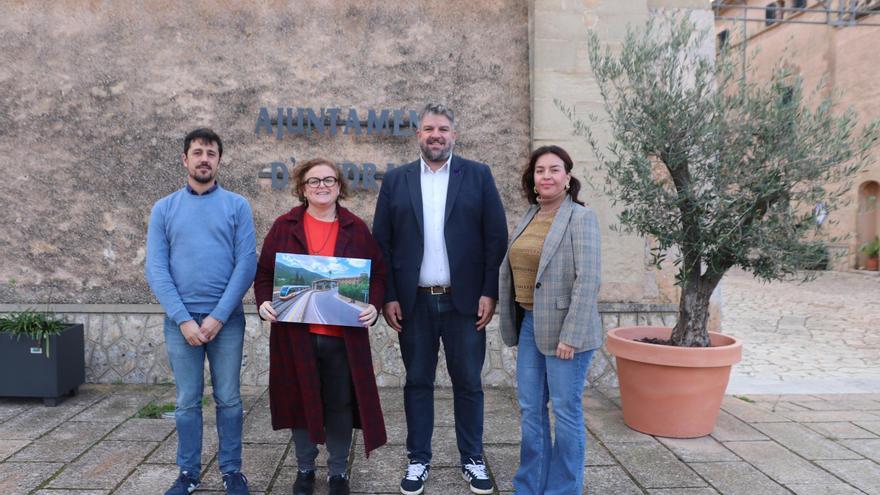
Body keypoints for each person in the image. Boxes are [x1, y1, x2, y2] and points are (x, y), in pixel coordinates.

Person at [372, 103, 508, 495]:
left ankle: (472, 459)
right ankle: (418, 459)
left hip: (464, 303)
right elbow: (383, 242)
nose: (436, 134)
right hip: (413, 304)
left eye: (443, 129)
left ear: (454, 134)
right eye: (429, 128)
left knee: (468, 383)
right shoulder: (397, 180)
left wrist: (488, 291)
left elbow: (495, 237)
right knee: (417, 382)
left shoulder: (477, 176)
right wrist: (389, 296)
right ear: (418, 134)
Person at [254, 158, 387, 495]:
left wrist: (373, 305)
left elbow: (378, 275)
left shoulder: (355, 228)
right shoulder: (285, 226)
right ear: (302, 188)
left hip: (342, 338)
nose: (322, 186)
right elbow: (265, 274)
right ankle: (304, 468)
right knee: (300, 401)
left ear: (339, 187)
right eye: (314, 181)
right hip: (296, 336)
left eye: (329, 180)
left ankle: (338, 472)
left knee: (340, 403)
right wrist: (263, 304)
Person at [145, 128, 257, 495]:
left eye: (211, 152)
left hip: (226, 321)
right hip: (181, 323)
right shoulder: (164, 209)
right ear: (185, 159)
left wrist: (218, 316)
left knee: (229, 399)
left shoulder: (237, 206)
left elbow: (246, 264)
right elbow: (157, 269)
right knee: (186, 401)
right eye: (198, 152)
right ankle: (188, 473)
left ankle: (231, 471)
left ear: (219, 161)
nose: (204, 158)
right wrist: (183, 319)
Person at [498, 145, 602, 495]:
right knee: (530, 409)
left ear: (567, 177)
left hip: (566, 330)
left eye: (554, 169)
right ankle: (529, 486)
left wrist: (570, 335)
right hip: (530, 323)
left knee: (565, 410)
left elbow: (587, 280)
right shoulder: (529, 214)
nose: (546, 176)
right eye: (540, 170)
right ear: (533, 179)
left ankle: (563, 490)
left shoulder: (580, 218)